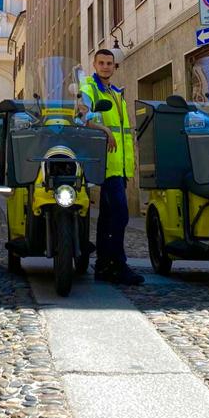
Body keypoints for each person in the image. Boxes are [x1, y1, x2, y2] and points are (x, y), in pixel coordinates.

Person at [79, 49, 144, 286]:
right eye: (101, 63)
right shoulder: (89, 89)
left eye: (110, 63)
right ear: (94, 65)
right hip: (105, 164)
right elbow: (82, 117)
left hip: (120, 165)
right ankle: (118, 263)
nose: (106, 67)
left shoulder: (116, 93)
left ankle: (104, 265)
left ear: (115, 67)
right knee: (119, 214)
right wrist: (104, 130)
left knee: (109, 217)